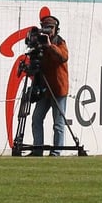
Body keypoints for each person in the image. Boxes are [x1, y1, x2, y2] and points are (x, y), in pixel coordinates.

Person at [29, 13, 69, 156]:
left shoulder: (59, 42)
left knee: (58, 124)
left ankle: (56, 152)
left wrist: (50, 46)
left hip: (58, 89)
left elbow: (63, 57)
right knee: (36, 119)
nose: (48, 30)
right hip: (44, 89)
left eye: (51, 28)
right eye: (45, 27)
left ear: (56, 29)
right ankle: (38, 149)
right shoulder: (39, 42)